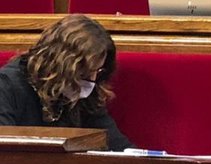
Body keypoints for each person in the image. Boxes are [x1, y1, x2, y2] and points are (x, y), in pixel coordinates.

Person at [0, 14, 130, 151]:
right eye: (82, 74)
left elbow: (117, 146)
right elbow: (4, 151)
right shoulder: (7, 86)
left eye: (97, 71)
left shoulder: (87, 95)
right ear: (57, 66)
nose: (91, 80)